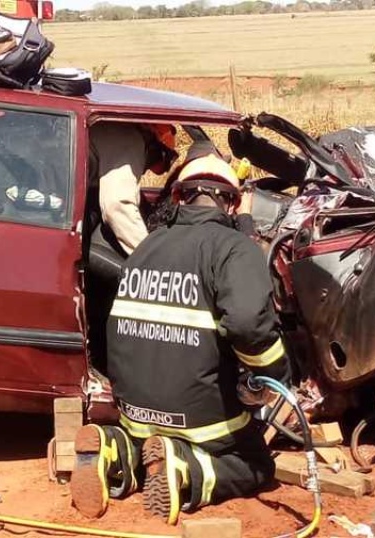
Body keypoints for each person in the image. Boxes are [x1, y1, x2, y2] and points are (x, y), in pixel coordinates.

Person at [70, 153, 288, 524]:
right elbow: (249, 324)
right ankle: (187, 468)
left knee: (144, 446)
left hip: (136, 415)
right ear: (232, 204)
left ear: (176, 197)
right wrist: (273, 373)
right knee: (255, 465)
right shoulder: (233, 248)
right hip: (199, 421)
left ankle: (115, 449)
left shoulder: (146, 247)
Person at [84, 122, 179, 374]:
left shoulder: (113, 133)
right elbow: (117, 205)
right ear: (155, 147)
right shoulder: (129, 137)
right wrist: (157, 260)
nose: (144, 168)